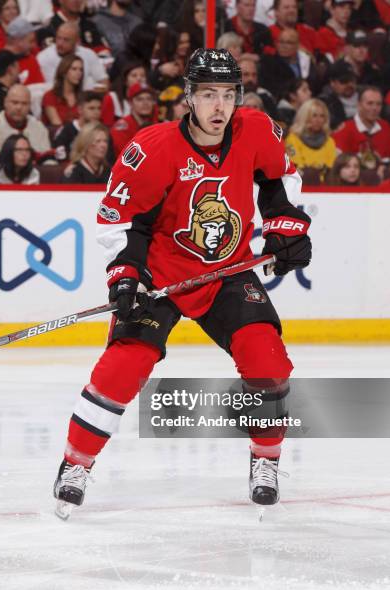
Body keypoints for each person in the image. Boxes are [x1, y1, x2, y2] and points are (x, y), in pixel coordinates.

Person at [53, 48, 311, 518]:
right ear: (189, 97)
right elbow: (121, 219)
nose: (219, 107)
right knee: (122, 367)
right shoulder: (152, 149)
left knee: (266, 360)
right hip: (163, 277)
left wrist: (286, 227)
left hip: (226, 273)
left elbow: (281, 179)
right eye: (209, 94)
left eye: (228, 95)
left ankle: (267, 461)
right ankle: (75, 463)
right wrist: (126, 276)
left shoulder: (255, 130)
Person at [0, 83, 52, 165]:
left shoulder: (38, 127)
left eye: (24, 103)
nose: (19, 108)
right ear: (5, 103)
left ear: (30, 106)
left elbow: (45, 156)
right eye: (15, 103)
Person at [0, 16, 44, 87]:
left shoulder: (30, 59)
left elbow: (39, 87)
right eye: (31, 41)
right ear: (18, 41)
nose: (34, 46)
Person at [37, 21, 109, 92]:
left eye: (66, 40)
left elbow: (103, 80)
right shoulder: (44, 58)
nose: (60, 43)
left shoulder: (88, 54)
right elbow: (55, 89)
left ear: (77, 41)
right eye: (58, 38)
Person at [333, 86, 390, 166]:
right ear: (359, 105)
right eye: (370, 103)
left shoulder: (386, 127)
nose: (374, 108)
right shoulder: (344, 129)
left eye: (378, 104)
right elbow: (338, 164)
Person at [258, 28, 318, 101]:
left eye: (289, 42)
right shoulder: (269, 64)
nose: (284, 46)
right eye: (281, 42)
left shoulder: (307, 61)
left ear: (297, 45)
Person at [286, 98, 337, 181]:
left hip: (325, 185)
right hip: (302, 183)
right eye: (314, 115)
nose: (318, 120)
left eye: (322, 116)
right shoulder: (292, 139)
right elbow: (296, 166)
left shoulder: (329, 141)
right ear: (305, 117)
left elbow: (330, 167)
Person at [52, 90, 103, 161]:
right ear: (80, 110)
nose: (96, 112)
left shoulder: (103, 132)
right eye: (91, 108)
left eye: (99, 108)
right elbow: (59, 156)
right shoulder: (66, 130)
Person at [110, 81, 156, 156]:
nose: (145, 103)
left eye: (149, 99)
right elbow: (126, 157)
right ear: (130, 103)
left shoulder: (156, 124)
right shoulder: (122, 127)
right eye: (139, 99)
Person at [100, 61, 147, 127]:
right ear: (125, 80)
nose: (139, 79)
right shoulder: (112, 97)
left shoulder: (150, 99)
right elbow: (106, 125)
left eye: (142, 75)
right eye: (134, 75)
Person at [42, 54, 83, 127]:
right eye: (74, 69)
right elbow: (57, 125)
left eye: (81, 70)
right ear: (64, 72)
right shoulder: (50, 96)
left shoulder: (83, 97)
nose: (79, 73)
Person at [318, 59, 358, 130]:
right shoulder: (324, 103)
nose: (349, 84)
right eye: (344, 81)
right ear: (332, 83)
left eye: (352, 80)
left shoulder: (365, 96)